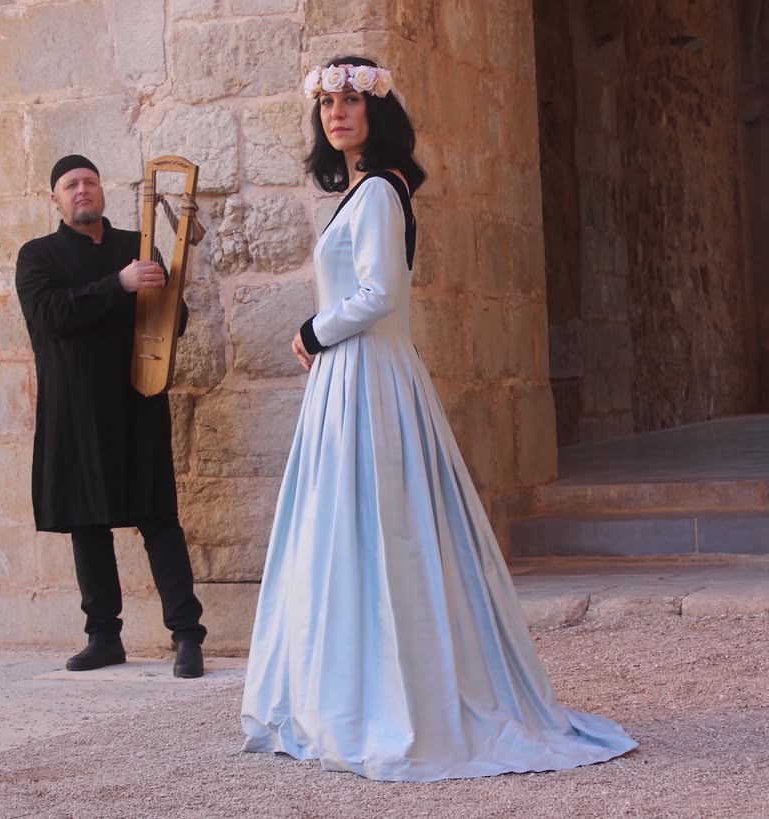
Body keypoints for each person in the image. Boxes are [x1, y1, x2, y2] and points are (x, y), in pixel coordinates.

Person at [240, 58, 637, 780]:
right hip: (354, 377)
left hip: (367, 375)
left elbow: (379, 295)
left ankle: (388, 701)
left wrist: (312, 332)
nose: (337, 114)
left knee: (379, 530)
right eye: (327, 103)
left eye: (351, 101)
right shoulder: (362, 190)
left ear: (377, 112)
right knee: (357, 531)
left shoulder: (380, 192)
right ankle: (357, 694)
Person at [15, 154, 206, 677]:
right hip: (76, 409)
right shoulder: (38, 256)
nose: (82, 190)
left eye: (90, 182)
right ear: (54, 199)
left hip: (137, 399)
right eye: (71, 185)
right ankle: (104, 638)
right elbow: (49, 316)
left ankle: (187, 635)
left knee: (158, 517)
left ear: (102, 191)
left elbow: (173, 323)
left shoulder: (137, 246)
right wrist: (117, 285)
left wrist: (168, 290)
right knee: (87, 522)